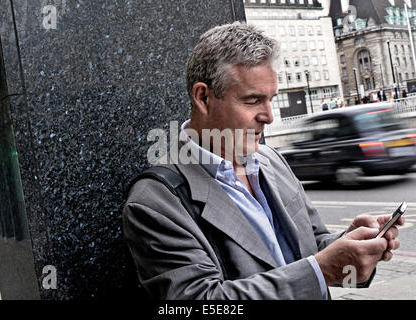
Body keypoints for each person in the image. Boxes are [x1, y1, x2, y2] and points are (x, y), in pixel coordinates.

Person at [122, 22, 403, 300]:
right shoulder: (154, 202)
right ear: (203, 97)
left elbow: (311, 248)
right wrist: (322, 269)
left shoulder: (271, 160)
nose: (269, 116)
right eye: (253, 100)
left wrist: (350, 244)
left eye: (271, 100)